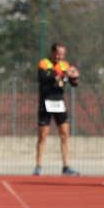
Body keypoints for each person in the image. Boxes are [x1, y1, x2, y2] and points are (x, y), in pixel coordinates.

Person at [33, 43, 80, 176]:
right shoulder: (44, 63)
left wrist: (75, 76)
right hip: (46, 102)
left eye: (63, 54)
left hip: (59, 103)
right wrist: (62, 74)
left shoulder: (65, 65)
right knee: (43, 135)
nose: (60, 57)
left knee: (65, 134)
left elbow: (74, 83)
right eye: (58, 54)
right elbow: (44, 79)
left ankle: (66, 166)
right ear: (53, 52)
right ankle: (38, 166)